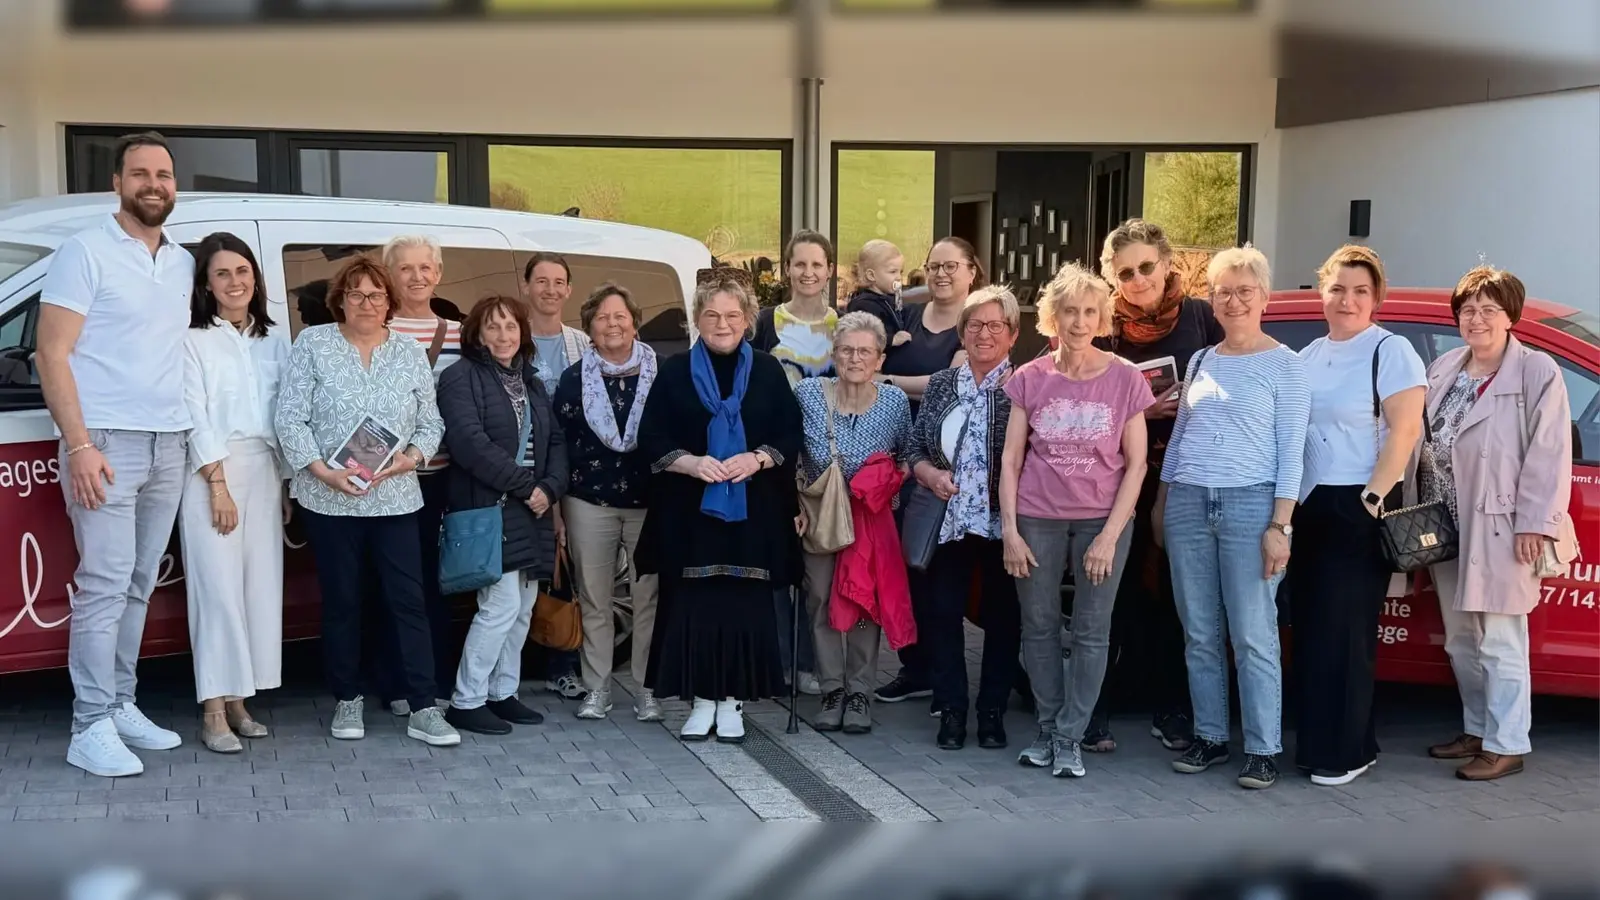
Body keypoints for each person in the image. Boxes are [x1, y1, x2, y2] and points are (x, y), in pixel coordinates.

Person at [37, 131, 192, 777]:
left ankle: (122, 703)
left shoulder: (181, 261)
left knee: (135, 585)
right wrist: (78, 445)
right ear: (118, 184)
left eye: (163, 173)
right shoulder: (85, 251)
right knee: (102, 587)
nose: (153, 183)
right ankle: (90, 725)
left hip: (169, 443)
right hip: (105, 442)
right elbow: (52, 353)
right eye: (140, 173)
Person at [274, 255, 459, 748]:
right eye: (355, 294)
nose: (366, 303)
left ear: (388, 303)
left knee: (409, 603)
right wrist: (321, 472)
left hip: (396, 497)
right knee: (343, 604)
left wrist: (411, 459)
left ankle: (423, 706)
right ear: (340, 299)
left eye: (375, 295)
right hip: (329, 501)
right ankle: (347, 699)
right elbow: (290, 418)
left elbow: (431, 421)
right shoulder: (312, 344)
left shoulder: (406, 351)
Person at [1156, 245, 1309, 790]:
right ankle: (1211, 735)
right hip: (1190, 503)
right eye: (1224, 291)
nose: (1234, 300)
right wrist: (1162, 502)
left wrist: (1280, 526)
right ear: (1213, 300)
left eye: (1245, 290)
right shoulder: (1202, 359)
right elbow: (1180, 439)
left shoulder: (1287, 366)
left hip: (1251, 506)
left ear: (1264, 298)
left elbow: (1293, 452)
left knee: (1253, 633)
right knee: (1199, 631)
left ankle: (1263, 748)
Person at [1000, 263, 1154, 778]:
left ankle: (1071, 736)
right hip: (1037, 517)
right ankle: (1047, 729)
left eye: (1091, 311)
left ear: (1103, 317)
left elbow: (1138, 464)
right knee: (1039, 627)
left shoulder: (1126, 379)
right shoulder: (1029, 378)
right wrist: (1010, 532)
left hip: (1101, 521)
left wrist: (1110, 537)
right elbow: (1011, 461)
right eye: (1070, 310)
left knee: (1092, 630)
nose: (1080, 321)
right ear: (1053, 317)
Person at [637, 270, 803, 743]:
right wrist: (689, 463)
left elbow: (791, 433)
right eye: (712, 315)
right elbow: (651, 437)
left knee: (743, 608)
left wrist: (757, 458)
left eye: (732, 315)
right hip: (690, 514)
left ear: (748, 320)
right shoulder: (673, 371)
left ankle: (732, 704)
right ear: (697, 320)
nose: (722, 323)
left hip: (753, 513)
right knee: (695, 608)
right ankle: (701, 701)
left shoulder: (769, 371)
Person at [1424, 266, 1573, 782]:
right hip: (1444, 527)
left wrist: (1536, 523)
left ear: (1510, 316)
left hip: (1502, 526)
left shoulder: (1536, 372)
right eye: (1468, 310)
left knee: (1501, 638)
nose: (1477, 319)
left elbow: (1550, 453)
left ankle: (1507, 743)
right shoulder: (1445, 366)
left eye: (1489, 309)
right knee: (1460, 638)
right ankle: (1477, 728)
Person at [1291, 245, 1426, 786]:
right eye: (1338, 288)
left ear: (1377, 298)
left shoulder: (1390, 352)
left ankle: (1345, 752)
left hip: (1360, 503)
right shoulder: (1307, 356)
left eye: (1360, 291)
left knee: (1346, 634)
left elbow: (1406, 430)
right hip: (1308, 504)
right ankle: (1329, 743)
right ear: (1322, 292)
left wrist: (1372, 497)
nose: (1347, 300)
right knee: (1314, 631)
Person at [1087, 218, 1223, 754]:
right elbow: (1080, 395)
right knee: (1109, 593)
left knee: (1175, 596)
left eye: (1147, 266)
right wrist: (1141, 408)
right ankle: (1093, 706)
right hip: (1117, 478)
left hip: (1186, 474)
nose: (1138, 279)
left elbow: (1234, 378)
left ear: (1167, 264)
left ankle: (1172, 707)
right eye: (1126, 272)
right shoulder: (1103, 323)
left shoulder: (1201, 317)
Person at [178, 232, 291, 754]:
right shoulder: (191, 338)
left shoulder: (273, 338)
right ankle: (213, 711)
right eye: (222, 273)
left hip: (265, 471)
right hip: (211, 475)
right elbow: (193, 415)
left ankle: (241, 700)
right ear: (205, 282)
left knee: (257, 592)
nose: (234, 282)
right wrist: (218, 485)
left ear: (255, 277)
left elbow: (285, 415)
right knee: (217, 593)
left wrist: (286, 480)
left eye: (242, 271)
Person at [437, 295, 568, 735]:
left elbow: (556, 445)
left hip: (533, 508)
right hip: (491, 505)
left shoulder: (530, 382)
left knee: (524, 606)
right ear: (475, 332)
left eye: (511, 327)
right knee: (500, 605)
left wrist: (549, 488)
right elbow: (469, 443)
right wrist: (527, 486)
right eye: (493, 327)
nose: (503, 336)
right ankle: (466, 700)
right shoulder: (460, 377)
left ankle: (503, 693)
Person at [906, 285, 1023, 751]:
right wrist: (929, 474)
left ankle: (991, 710)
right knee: (942, 614)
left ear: (1012, 334)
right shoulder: (940, 384)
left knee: (1002, 618)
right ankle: (952, 709)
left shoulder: (1026, 385)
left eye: (996, 325)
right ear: (962, 332)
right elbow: (914, 447)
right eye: (975, 325)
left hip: (1004, 524)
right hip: (949, 519)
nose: (984, 333)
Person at [875, 236, 982, 709]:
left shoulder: (974, 327)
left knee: (942, 578)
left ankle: (946, 677)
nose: (941, 274)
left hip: (946, 470)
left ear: (971, 271)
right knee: (905, 569)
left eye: (952, 266)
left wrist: (886, 381)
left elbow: (950, 385)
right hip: (897, 460)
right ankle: (913, 666)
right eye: (934, 266)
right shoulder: (908, 319)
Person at [794, 312, 914, 734]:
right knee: (822, 600)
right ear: (834, 353)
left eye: (865, 351)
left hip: (871, 519)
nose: (855, 358)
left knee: (866, 602)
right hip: (821, 518)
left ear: (880, 359)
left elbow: (907, 456)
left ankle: (860, 690)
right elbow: (791, 454)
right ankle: (832, 689)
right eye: (847, 350)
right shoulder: (809, 394)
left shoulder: (895, 402)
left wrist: (886, 482)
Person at [553, 284, 663, 722]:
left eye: (620, 316)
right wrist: (559, 506)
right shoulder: (572, 378)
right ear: (589, 328)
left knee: (648, 597)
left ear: (635, 321)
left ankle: (647, 689)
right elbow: (557, 443)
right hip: (588, 501)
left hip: (649, 503)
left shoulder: (663, 373)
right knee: (595, 599)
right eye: (602, 318)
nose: (612, 324)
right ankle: (597, 687)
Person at [373, 234, 462, 716]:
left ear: (439, 273)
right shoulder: (374, 326)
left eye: (425, 267)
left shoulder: (460, 333)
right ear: (390, 274)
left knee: (436, 584)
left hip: (443, 479)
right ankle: (398, 684)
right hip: (388, 480)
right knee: (395, 584)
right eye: (405, 268)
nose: (416, 276)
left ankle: (436, 682)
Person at [522, 251, 592, 700]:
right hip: (521, 469)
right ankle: (516, 663)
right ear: (524, 286)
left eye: (558, 282)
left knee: (565, 567)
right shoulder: (509, 337)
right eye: (540, 281)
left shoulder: (582, 344)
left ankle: (563, 664)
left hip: (572, 467)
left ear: (569, 290)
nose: (549, 289)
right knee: (521, 569)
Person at [844, 239, 909, 350]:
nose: (899, 277)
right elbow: (862, 336)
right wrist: (891, 339)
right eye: (893, 272)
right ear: (871, 275)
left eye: (901, 272)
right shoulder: (863, 305)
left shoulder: (890, 297)